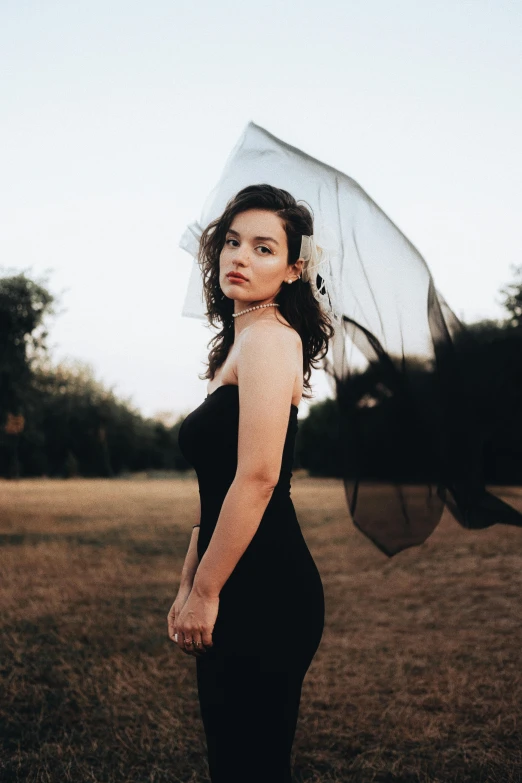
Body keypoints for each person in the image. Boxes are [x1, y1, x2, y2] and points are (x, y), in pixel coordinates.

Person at [168, 184, 331, 782]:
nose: (239, 256)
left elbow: (259, 478)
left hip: (266, 588)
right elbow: (215, 484)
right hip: (236, 572)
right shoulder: (239, 344)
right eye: (232, 242)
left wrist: (206, 592)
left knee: (251, 766)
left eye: (264, 248)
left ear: (294, 269)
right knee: (235, 763)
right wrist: (190, 579)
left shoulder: (270, 340)